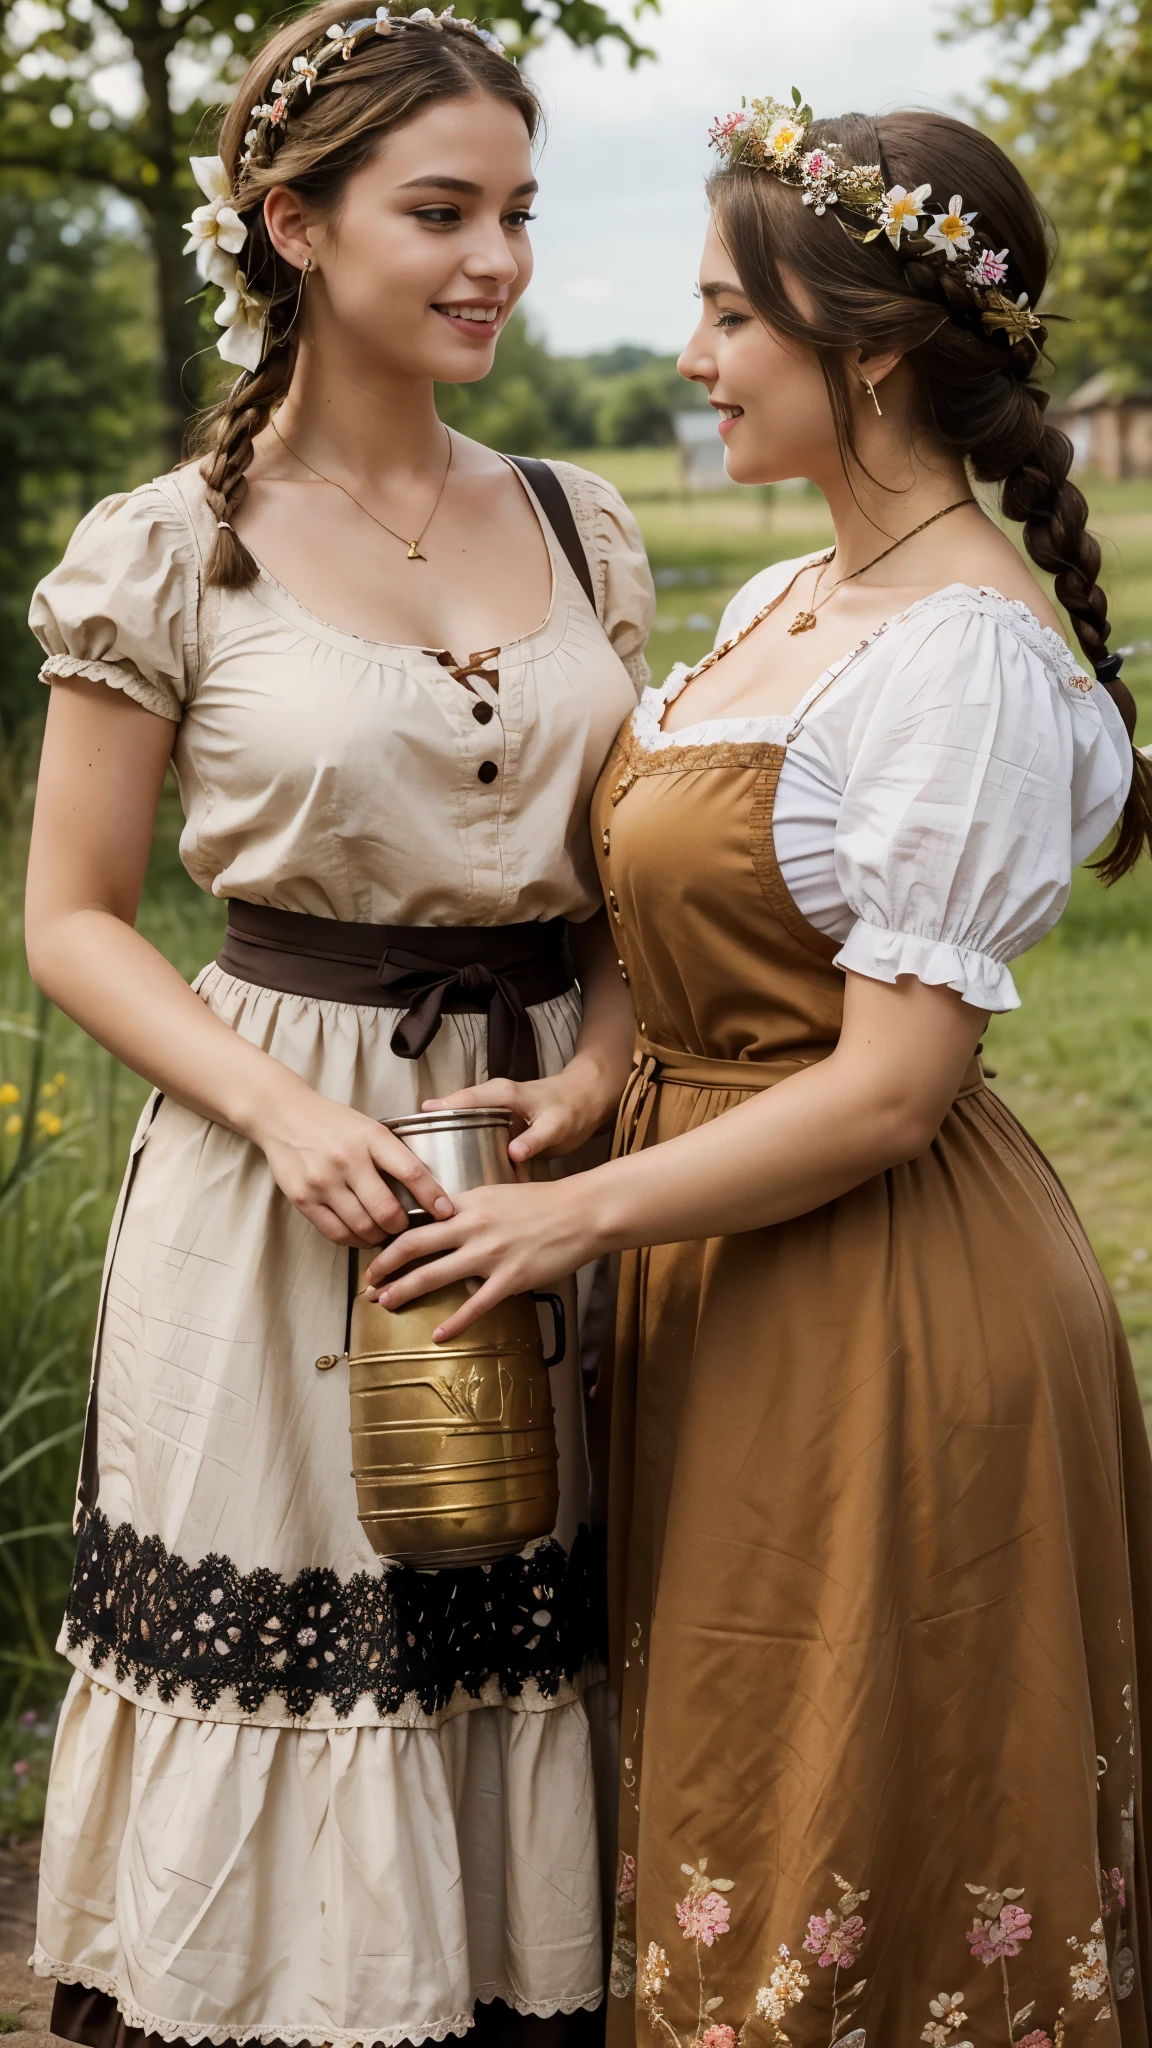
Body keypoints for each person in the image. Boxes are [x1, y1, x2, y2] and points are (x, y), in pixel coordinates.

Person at [365, 99, 1152, 2046]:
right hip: (714, 1254)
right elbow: (701, 907)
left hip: (876, 1291)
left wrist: (576, 1212)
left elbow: (889, 1085)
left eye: (729, 320)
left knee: (842, 1815)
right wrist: (606, 1072)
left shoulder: (960, 657)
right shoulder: (785, 605)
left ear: (868, 351)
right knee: (731, 1775)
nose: (691, 362)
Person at [24, 8, 652, 2044]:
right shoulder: (169, 545)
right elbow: (74, 921)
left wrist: (608, 1051)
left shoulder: (580, 527)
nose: (496, 260)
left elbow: (631, 871)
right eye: (441, 211)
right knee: (308, 1611)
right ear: (294, 224)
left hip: (552, 1156)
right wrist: (278, 1121)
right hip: (277, 1155)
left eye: (520, 215)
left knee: (524, 1612)